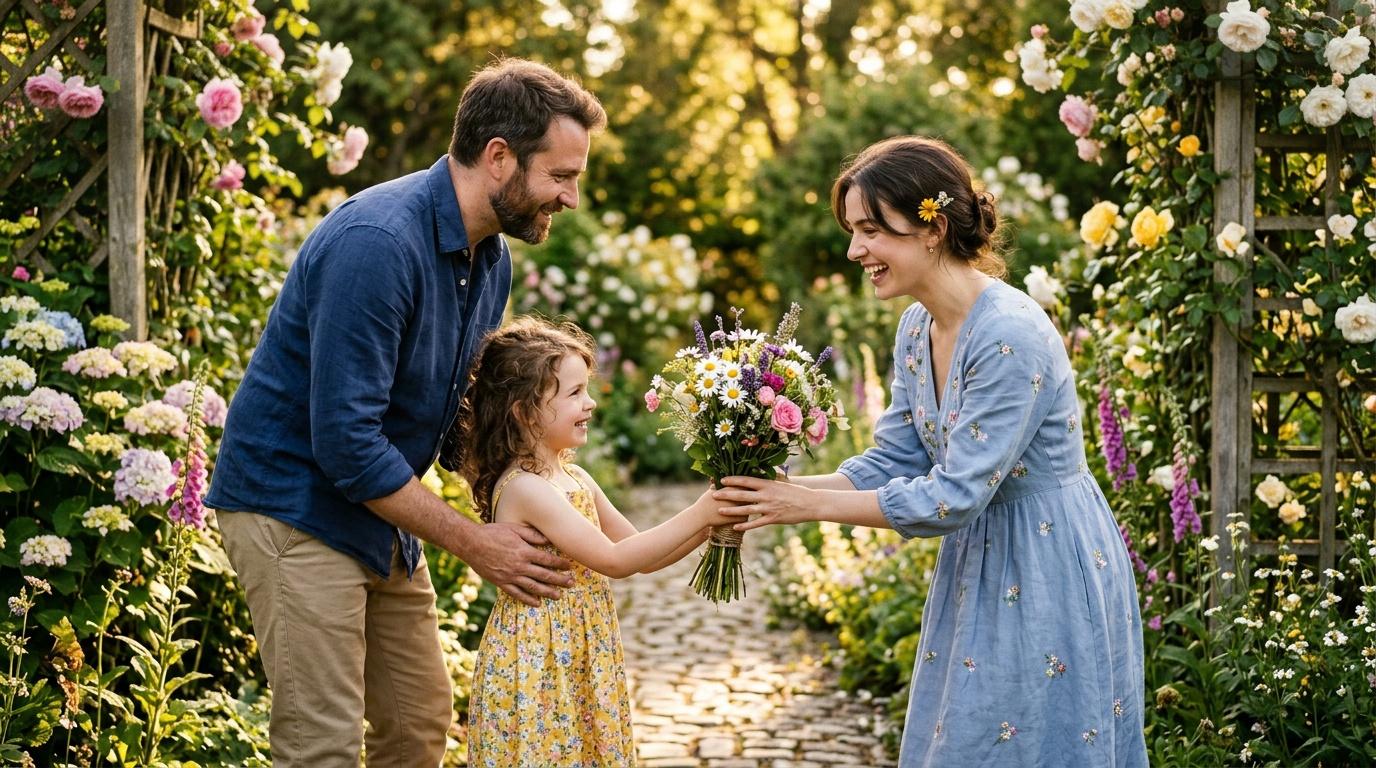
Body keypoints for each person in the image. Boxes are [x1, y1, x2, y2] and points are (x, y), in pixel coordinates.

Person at [204, 59, 606, 766]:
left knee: (419, 724)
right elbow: (345, 442)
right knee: (321, 745)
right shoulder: (378, 244)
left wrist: (542, 489)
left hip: (376, 511)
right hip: (293, 505)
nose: (571, 196)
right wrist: (477, 542)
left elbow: (452, 416)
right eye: (561, 176)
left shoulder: (491, 260)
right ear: (499, 157)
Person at [715, 136, 1148, 767]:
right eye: (853, 231)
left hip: (1046, 559)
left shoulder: (1009, 332)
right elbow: (893, 461)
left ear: (933, 228)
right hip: (980, 564)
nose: (854, 250)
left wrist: (801, 505)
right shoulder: (917, 326)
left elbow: (954, 497)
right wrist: (768, 494)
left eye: (871, 230)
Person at [448, 317, 730, 766]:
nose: (591, 403)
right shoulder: (525, 488)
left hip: (579, 649)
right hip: (541, 659)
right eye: (574, 393)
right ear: (524, 411)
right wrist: (702, 512)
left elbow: (641, 551)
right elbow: (615, 560)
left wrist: (712, 519)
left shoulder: (574, 476)